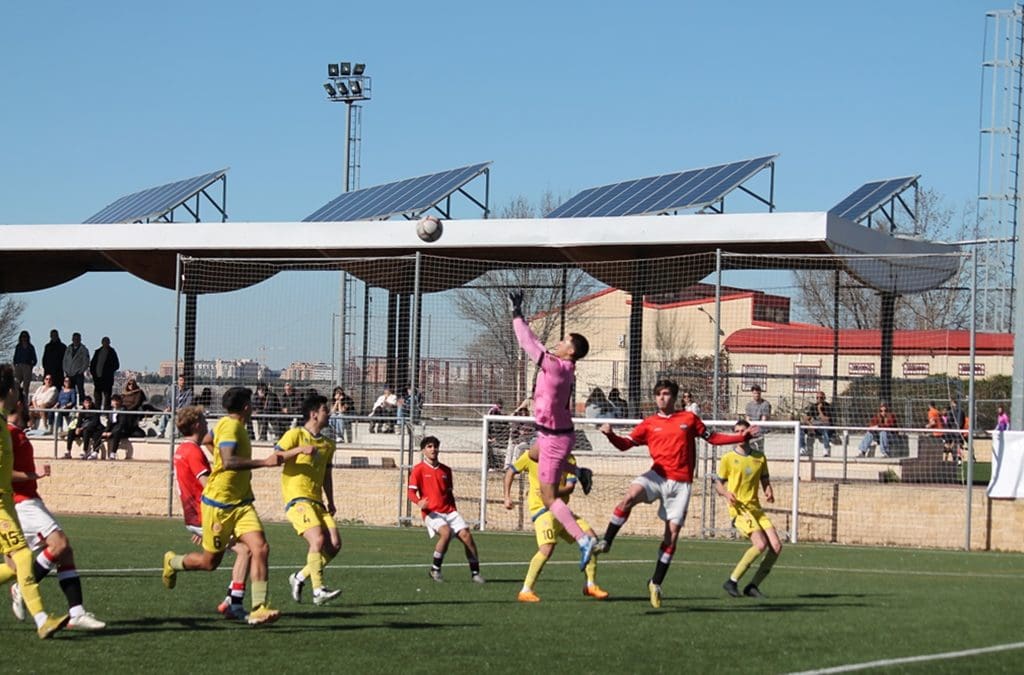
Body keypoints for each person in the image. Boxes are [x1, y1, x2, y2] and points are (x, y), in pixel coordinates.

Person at [595, 379, 757, 608]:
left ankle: (655, 582)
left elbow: (713, 438)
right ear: (654, 398)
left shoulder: (688, 419)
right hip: (657, 476)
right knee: (629, 496)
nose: (662, 397)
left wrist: (742, 437)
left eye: (667, 394)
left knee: (671, 535)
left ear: (674, 397)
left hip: (681, 484)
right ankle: (607, 541)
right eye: (659, 394)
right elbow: (625, 444)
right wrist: (611, 435)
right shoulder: (649, 423)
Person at [162, 386, 311, 625]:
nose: (253, 407)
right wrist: (262, 462)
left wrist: (218, 458)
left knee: (260, 548)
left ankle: (259, 607)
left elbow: (210, 441)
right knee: (209, 563)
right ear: (245, 407)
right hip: (218, 505)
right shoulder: (231, 426)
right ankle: (173, 562)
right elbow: (230, 461)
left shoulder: (226, 425)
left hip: (241, 504)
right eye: (251, 403)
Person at [508, 289, 596, 569]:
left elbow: (527, 342)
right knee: (531, 455)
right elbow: (537, 344)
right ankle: (579, 472)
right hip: (553, 436)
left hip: (554, 439)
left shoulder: (557, 367)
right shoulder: (565, 367)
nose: (558, 343)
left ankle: (583, 539)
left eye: (563, 341)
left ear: (570, 351)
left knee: (549, 497)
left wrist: (516, 313)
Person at [6, 395, 105, 629]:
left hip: (31, 501)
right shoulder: (8, 433)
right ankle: (23, 586)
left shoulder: (17, 432)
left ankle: (76, 612)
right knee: (59, 545)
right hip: (22, 504)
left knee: (64, 552)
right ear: (20, 405)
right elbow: (5, 473)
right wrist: (34, 474)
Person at [0, 364, 69, 638]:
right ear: (8, 391)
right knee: (24, 555)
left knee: (15, 565)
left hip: (7, 503)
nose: (19, 391)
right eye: (16, 386)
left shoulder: (4, 425)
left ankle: (42, 619)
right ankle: (42, 619)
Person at [172, 405, 251, 620]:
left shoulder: (181, 449)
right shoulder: (193, 452)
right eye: (205, 421)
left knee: (211, 563)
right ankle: (233, 603)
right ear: (197, 424)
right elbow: (208, 485)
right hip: (207, 514)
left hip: (198, 515)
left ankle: (175, 563)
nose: (208, 424)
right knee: (246, 551)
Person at [503, 449, 607, 602]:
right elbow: (511, 471)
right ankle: (526, 590)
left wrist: (550, 492)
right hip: (543, 511)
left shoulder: (570, 460)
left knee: (592, 539)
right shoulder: (532, 455)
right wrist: (506, 497)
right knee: (547, 548)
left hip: (562, 511)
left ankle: (590, 585)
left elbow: (570, 487)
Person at [278, 393, 342, 606]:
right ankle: (318, 590)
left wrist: (331, 501)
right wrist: (299, 450)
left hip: (317, 501)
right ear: (314, 414)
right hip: (297, 499)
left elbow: (327, 474)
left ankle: (299, 577)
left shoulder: (328, 445)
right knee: (317, 540)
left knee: (334, 545)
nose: (329, 413)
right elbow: (275, 457)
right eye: (325, 410)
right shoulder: (295, 434)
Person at [714, 419, 783, 598]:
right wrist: (726, 494)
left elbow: (765, 480)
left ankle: (752, 586)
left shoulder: (759, 457)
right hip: (739, 508)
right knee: (760, 544)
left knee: (776, 546)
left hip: (755, 508)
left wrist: (769, 491)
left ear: (750, 433)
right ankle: (732, 581)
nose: (740, 434)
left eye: (743, 430)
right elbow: (718, 484)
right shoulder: (728, 458)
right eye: (737, 431)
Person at [407, 436, 485, 583]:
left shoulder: (446, 470)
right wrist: (418, 502)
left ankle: (475, 573)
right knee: (446, 532)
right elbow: (410, 492)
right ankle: (435, 570)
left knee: (467, 536)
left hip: (449, 511)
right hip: (431, 513)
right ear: (423, 450)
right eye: (429, 446)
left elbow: (449, 493)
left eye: (435, 446)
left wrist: (454, 511)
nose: (433, 449)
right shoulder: (418, 470)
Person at [89, 336, 120, 412]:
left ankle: (106, 412)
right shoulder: (98, 352)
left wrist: (108, 371)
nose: (105, 343)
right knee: (97, 396)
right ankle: (97, 412)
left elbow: (116, 365)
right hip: (98, 378)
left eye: (107, 342)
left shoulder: (112, 352)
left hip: (107, 379)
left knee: (107, 396)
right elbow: (92, 364)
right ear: (102, 343)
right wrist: (93, 373)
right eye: (104, 342)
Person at [799, 391, 833, 457]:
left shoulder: (828, 407)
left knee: (825, 430)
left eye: (821, 398)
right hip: (814, 427)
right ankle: (802, 448)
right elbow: (806, 418)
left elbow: (826, 420)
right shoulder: (813, 406)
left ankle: (826, 449)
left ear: (824, 398)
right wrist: (810, 425)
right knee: (801, 429)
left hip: (823, 427)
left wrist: (819, 409)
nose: (819, 399)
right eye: (817, 398)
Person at [100, 394, 133, 460]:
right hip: (113, 428)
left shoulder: (123, 410)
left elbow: (121, 424)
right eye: (113, 401)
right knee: (99, 432)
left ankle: (113, 453)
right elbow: (109, 423)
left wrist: (111, 432)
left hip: (122, 429)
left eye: (116, 401)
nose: (115, 403)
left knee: (116, 434)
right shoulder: (110, 410)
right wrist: (106, 431)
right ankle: (95, 451)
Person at [62, 333, 90, 403]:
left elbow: (86, 362)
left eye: (77, 339)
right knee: (70, 390)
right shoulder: (68, 348)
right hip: (69, 373)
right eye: (74, 339)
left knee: (80, 390)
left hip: (78, 374)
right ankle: (71, 403)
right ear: (72, 339)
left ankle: (81, 403)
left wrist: (80, 371)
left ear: (80, 339)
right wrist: (65, 369)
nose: (76, 340)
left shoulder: (83, 349)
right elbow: (64, 360)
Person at [744, 384, 771, 451]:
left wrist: (757, 430)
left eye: (758, 393)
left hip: (760, 431)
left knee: (760, 449)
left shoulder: (765, 404)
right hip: (751, 430)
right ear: (752, 393)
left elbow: (764, 419)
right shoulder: (749, 405)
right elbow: (747, 418)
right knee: (750, 446)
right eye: (755, 393)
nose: (756, 395)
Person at [12, 331, 37, 399]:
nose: (24, 338)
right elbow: (15, 357)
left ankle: (25, 400)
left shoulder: (30, 347)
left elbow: (34, 359)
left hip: (27, 366)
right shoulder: (18, 347)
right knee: (16, 384)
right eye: (22, 336)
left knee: (26, 386)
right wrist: (15, 365)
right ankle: (16, 399)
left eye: (25, 336)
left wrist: (31, 366)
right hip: (18, 366)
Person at [944, 399, 967, 464]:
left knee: (951, 445)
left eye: (952, 403)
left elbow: (949, 421)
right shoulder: (962, 411)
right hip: (959, 430)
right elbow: (963, 421)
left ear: (953, 403)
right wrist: (961, 427)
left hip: (952, 431)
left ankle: (951, 458)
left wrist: (949, 428)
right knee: (958, 445)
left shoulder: (951, 412)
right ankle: (958, 459)